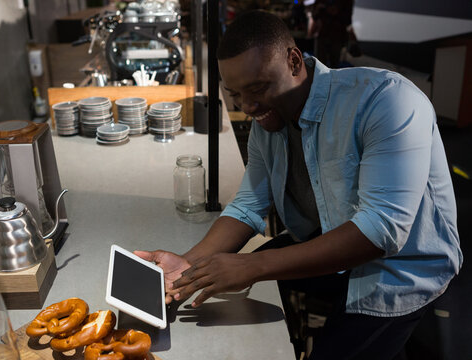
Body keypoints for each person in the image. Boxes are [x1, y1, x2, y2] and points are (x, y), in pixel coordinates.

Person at [135, 10, 463, 359]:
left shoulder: (387, 100)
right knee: (231, 285)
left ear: (294, 61)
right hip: (327, 236)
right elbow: (248, 206)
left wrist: (252, 267)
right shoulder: (268, 121)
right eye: (235, 95)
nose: (247, 106)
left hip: (401, 266)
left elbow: (382, 230)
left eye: (258, 88)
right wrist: (189, 264)